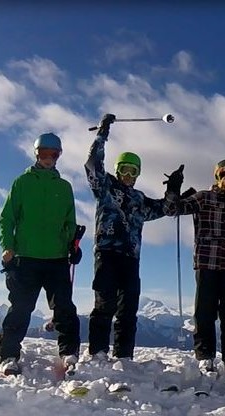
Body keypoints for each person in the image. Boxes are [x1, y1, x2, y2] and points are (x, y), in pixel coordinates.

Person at [83, 114, 169, 364]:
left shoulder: (140, 200)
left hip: (131, 258)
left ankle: (124, 356)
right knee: (104, 305)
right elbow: (92, 165)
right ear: (118, 170)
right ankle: (98, 353)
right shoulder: (105, 187)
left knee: (128, 310)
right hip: (107, 253)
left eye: (134, 171)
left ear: (139, 174)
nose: (129, 175)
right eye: (124, 169)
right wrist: (102, 133)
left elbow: (164, 208)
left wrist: (173, 190)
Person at [0, 132, 82, 376]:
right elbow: (7, 218)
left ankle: (68, 353)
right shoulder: (22, 183)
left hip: (56, 258)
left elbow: (69, 222)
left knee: (64, 307)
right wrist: (8, 246)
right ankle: (9, 355)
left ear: (59, 156)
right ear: (36, 154)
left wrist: (72, 245)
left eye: (53, 154)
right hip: (26, 257)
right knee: (21, 307)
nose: (48, 158)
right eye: (43, 153)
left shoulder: (64, 187)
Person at [163, 154, 225, 386]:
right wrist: (173, 187)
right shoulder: (203, 198)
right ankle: (205, 356)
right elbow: (172, 210)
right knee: (204, 312)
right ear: (219, 177)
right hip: (207, 262)